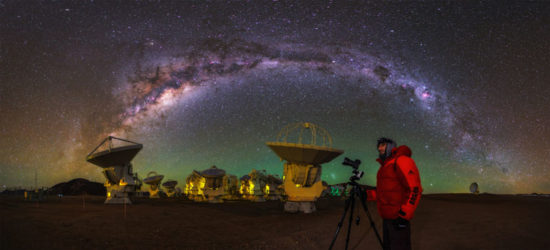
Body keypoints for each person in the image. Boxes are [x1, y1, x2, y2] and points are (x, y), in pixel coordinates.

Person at [366, 137, 422, 250]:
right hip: (387, 218)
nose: (379, 148)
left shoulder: (402, 161)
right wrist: (366, 195)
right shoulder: (384, 167)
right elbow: (384, 192)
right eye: (378, 146)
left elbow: (415, 189)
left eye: (382, 145)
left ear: (391, 146)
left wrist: (404, 215)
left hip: (398, 218)